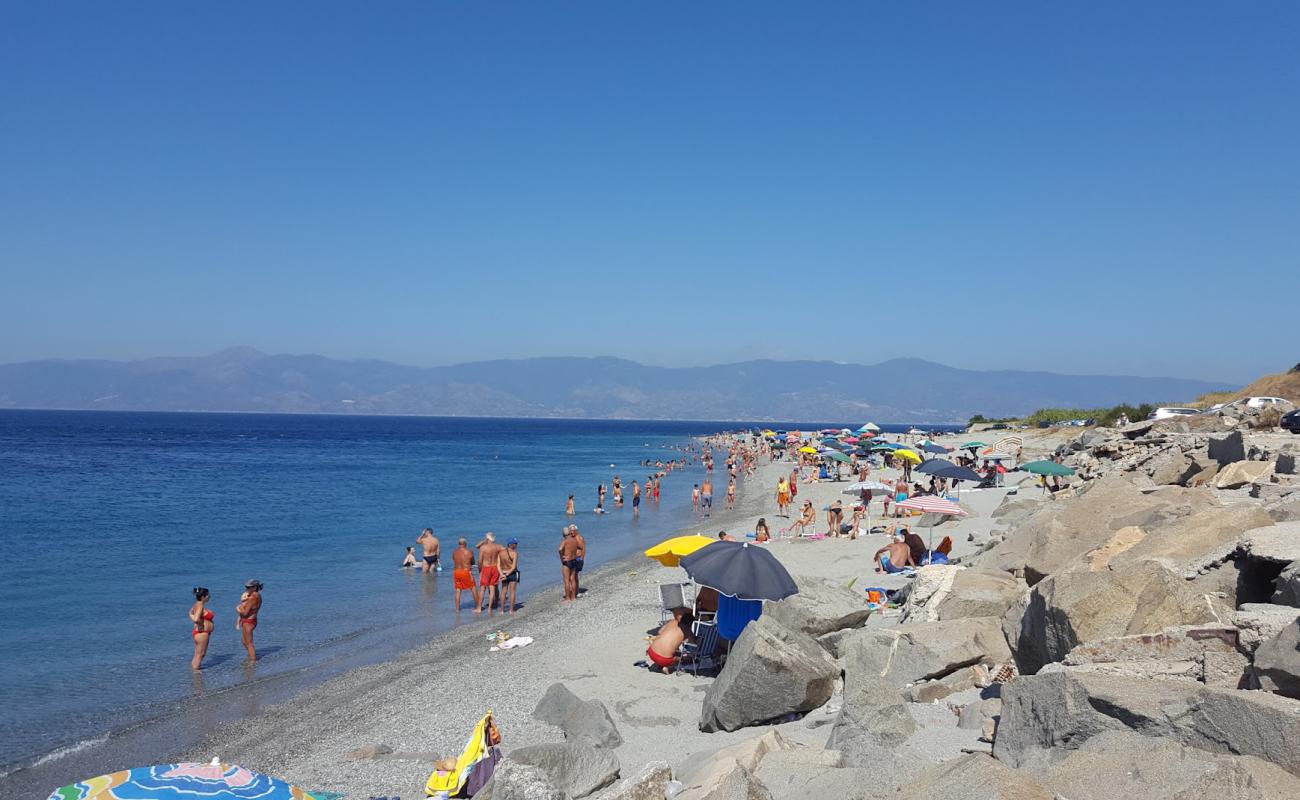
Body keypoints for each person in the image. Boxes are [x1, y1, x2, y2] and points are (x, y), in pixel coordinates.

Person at [646, 607, 695, 673]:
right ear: (690, 623)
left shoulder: (673, 621)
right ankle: (665, 667)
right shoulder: (688, 631)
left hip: (651, 651)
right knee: (683, 658)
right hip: (664, 659)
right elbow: (694, 643)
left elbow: (660, 632)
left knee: (671, 651)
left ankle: (659, 665)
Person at [477, 532, 504, 614]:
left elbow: (479, 561)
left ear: (487, 539)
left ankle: (479, 608)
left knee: (483, 588)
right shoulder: (498, 546)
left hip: (486, 568)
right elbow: (507, 550)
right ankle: (490, 608)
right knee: (492, 588)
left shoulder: (483, 548)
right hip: (495, 567)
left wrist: (480, 571)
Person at [236, 579, 262, 662]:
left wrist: (238, 609)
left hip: (248, 621)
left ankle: (253, 662)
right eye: (246, 587)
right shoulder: (258, 595)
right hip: (252, 620)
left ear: (254, 587)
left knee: (249, 643)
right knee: (245, 642)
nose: (246, 589)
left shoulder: (251, 598)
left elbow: (245, 613)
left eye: (248, 587)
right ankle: (252, 655)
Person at [189, 587, 213, 670]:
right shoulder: (200, 606)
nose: (209, 597)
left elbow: (192, 612)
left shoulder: (197, 604)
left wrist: (192, 615)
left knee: (197, 654)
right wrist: (200, 623)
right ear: (203, 597)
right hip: (202, 634)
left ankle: (194, 669)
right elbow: (195, 618)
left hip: (200, 633)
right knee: (201, 654)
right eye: (208, 595)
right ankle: (196, 673)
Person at [452, 538, 479, 611]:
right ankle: (478, 607)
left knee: (458, 590)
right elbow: (473, 562)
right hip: (466, 571)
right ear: (465, 544)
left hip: (457, 571)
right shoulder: (469, 551)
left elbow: (454, 559)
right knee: (473, 588)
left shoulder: (454, 552)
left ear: (459, 544)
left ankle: (457, 609)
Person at [559, 527, 581, 602]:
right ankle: (573, 597)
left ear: (563, 534)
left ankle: (568, 598)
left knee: (566, 580)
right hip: (574, 560)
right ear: (569, 533)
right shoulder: (575, 540)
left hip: (567, 561)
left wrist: (562, 557)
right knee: (573, 579)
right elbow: (579, 547)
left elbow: (560, 549)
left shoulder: (565, 541)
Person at [500, 538, 521, 613]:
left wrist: (502, 574)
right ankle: (511, 610)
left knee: (503, 591)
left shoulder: (501, 553)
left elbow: (498, 565)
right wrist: (508, 574)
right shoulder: (514, 553)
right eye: (515, 543)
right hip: (512, 573)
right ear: (510, 544)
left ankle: (502, 610)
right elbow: (514, 567)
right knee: (512, 592)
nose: (516, 545)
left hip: (504, 573)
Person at [572, 524, 586, 595]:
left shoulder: (579, 538)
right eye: (570, 531)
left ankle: (575, 592)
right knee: (574, 576)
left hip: (578, 559)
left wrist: (582, 559)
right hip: (576, 558)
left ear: (576, 530)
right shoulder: (574, 537)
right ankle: (576, 591)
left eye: (572, 531)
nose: (571, 532)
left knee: (574, 576)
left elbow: (583, 549)